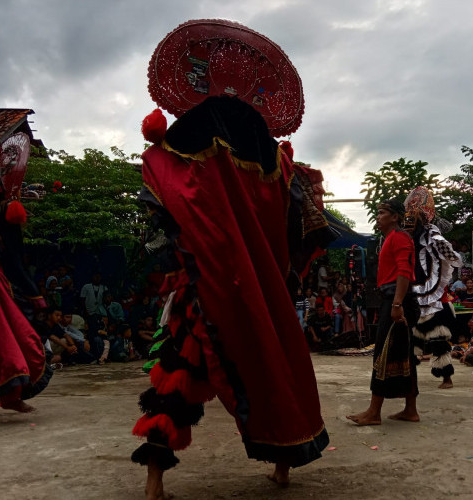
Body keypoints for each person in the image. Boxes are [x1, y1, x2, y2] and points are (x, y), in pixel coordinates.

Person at [131, 22, 333, 495]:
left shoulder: (188, 131)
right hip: (262, 290)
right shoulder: (273, 151)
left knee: (175, 378)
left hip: (205, 286)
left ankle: (154, 481)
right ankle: (283, 467)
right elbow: (303, 228)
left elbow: (162, 207)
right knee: (270, 368)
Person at [0, 133, 51, 415]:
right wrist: (35, 293)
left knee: (4, 333)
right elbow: (12, 256)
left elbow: (12, 256)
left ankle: (5, 396)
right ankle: (4, 397)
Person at [347, 199, 420, 425]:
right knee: (403, 355)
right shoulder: (389, 238)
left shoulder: (400, 237)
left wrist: (397, 305)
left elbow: (404, 271)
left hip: (398, 301)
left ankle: (374, 412)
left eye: (382, 213)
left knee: (383, 354)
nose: (378, 216)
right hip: (395, 299)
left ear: (395, 217)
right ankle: (410, 410)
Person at [402, 186, 461, 389]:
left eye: (415, 215)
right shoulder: (405, 235)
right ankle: (407, 374)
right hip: (413, 288)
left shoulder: (432, 234)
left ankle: (446, 376)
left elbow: (451, 256)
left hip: (435, 294)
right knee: (411, 337)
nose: (410, 219)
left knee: (438, 337)